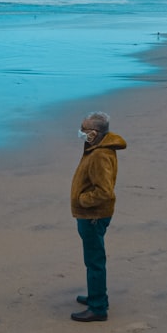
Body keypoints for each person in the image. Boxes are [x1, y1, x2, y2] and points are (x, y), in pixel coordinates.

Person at [70, 111, 126, 322]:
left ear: (94, 133)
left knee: (94, 261)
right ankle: (96, 296)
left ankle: (98, 307)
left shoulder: (100, 155)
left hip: (93, 215)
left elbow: (104, 192)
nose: (81, 134)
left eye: (84, 131)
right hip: (90, 215)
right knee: (93, 258)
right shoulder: (95, 148)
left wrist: (83, 200)